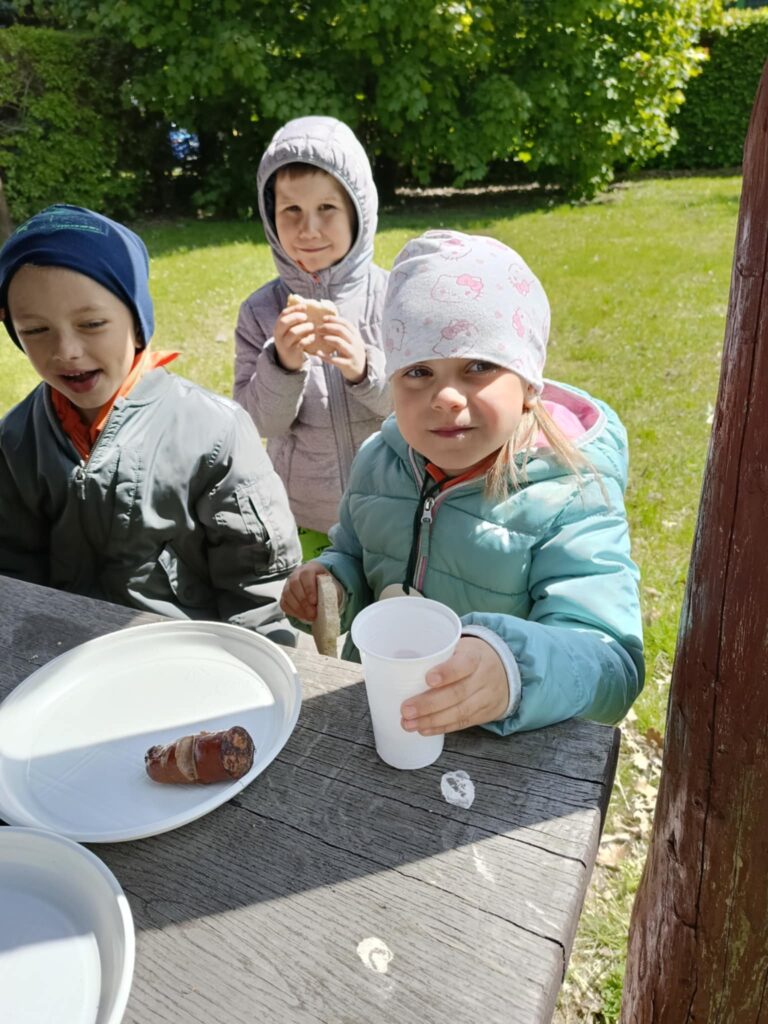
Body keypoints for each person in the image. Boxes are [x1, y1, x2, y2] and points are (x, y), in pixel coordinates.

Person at [280, 229, 644, 734]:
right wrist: (333, 584)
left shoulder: (569, 493)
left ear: (527, 383)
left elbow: (613, 667)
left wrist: (513, 669)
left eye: (477, 366)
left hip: (504, 763)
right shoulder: (377, 463)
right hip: (388, 721)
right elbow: (358, 558)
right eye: (419, 371)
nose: (446, 396)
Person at [0, 204, 301, 643]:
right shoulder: (16, 441)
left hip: (187, 661)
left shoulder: (214, 435)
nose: (66, 350)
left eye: (92, 324)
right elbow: (14, 574)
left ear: (138, 325)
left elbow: (258, 588)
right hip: (64, 657)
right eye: (36, 330)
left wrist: (260, 675)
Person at [233, 116, 391, 560]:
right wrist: (281, 365)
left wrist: (365, 368)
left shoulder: (393, 297)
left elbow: (418, 403)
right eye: (292, 211)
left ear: (358, 211)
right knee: (315, 616)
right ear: (270, 217)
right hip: (305, 513)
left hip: (394, 504)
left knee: (391, 613)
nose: (309, 230)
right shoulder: (260, 313)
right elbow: (257, 426)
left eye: (327, 209)